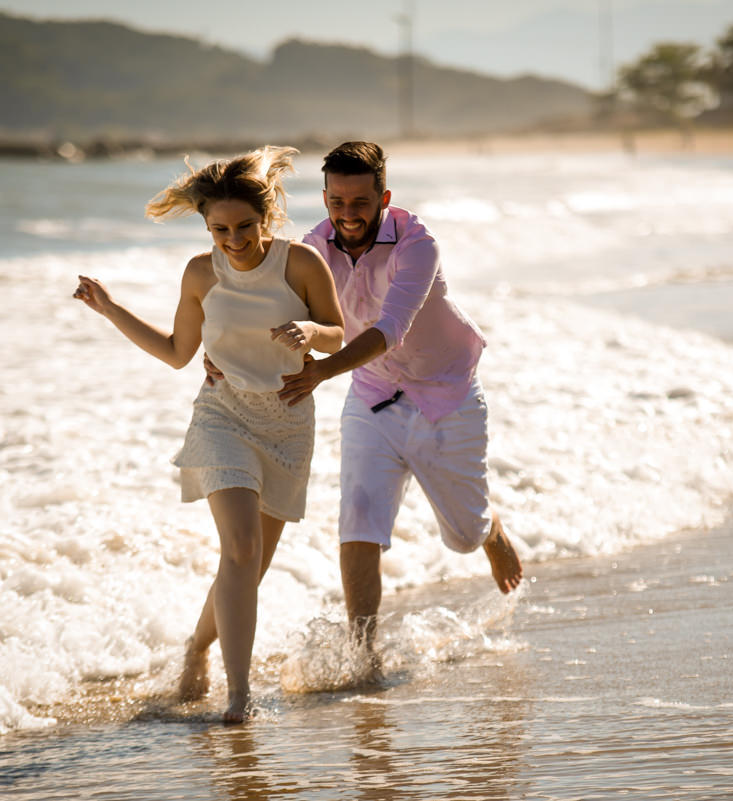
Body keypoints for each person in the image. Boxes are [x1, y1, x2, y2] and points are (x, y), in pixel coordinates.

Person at [213, 141, 523, 657]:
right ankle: (363, 654)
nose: (348, 214)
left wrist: (322, 371)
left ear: (384, 198)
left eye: (360, 202)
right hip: (372, 398)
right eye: (337, 202)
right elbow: (268, 311)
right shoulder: (314, 249)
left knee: (464, 536)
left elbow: (390, 330)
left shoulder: (417, 245)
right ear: (325, 199)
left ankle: (491, 531)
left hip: (445, 395)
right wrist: (220, 355)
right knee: (358, 521)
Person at [73, 147, 345, 723]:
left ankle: (197, 647)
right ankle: (239, 696)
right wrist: (111, 309)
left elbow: (337, 334)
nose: (234, 240)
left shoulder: (300, 263)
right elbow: (178, 353)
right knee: (240, 550)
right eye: (220, 229)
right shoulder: (201, 272)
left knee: (247, 566)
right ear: (206, 227)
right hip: (223, 416)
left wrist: (309, 330)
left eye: (244, 226)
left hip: (288, 423)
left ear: (265, 218)